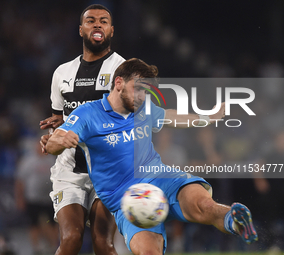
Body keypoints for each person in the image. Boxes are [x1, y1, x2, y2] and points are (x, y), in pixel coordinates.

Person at [45, 58, 258, 254]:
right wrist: (60, 141)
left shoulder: (143, 108)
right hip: (127, 200)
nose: (142, 96)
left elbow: (171, 117)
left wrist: (208, 117)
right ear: (118, 83)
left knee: (205, 205)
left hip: (161, 177)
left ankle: (233, 219)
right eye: (138, 89)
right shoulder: (88, 114)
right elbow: (56, 140)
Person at [39, 4, 125, 255]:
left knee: (102, 242)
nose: (97, 24)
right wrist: (53, 136)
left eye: (103, 21)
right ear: (80, 30)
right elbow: (59, 116)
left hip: (108, 170)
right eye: (91, 21)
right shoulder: (62, 73)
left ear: (111, 31)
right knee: (71, 239)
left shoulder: (123, 70)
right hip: (69, 169)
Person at [15, 141, 59, 254]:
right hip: (32, 198)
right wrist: (20, 198)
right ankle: (36, 248)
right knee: (34, 224)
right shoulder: (28, 161)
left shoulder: (51, 159)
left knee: (53, 223)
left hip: (49, 198)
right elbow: (20, 181)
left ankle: (55, 246)